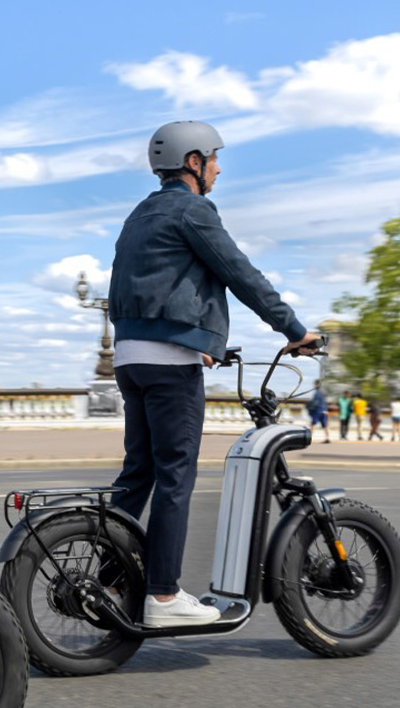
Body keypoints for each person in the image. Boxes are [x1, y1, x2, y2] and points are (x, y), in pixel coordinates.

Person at [106, 120, 318, 629]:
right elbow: (239, 272)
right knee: (177, 474)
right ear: (194, 162)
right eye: (215, 159)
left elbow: (159, 286)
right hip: (168, 365)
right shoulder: (192, 210)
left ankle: (110, 574)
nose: (220, 169)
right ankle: (161, 596)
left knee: (138, 472)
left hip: (130, 358)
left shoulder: (140, 215)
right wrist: (294, 329)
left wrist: (203, 342)